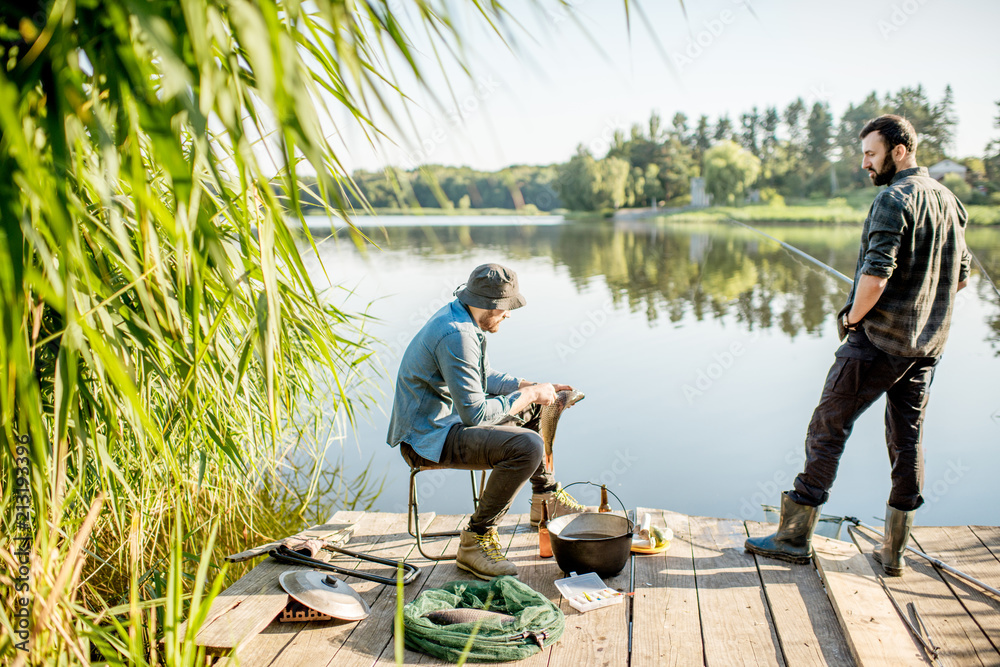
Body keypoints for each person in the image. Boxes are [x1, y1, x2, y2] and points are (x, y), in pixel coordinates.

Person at [745, 114, 971, 576]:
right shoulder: (951, 202)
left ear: (899, 151)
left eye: (871, 154)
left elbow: (875, 276)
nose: (865, 164)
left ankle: (793, 537)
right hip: (926, 348)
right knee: (908, 442)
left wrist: (849, 317)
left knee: (828, 426)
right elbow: (961, 277)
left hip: (878, 343)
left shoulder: (893, 199)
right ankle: (894, 552)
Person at [387, 263, 587, 580]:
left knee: (535, 409)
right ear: (492, 305)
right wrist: (530, 394)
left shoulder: (463, 319)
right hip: (427, 440)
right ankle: (476, 538)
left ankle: (543, 499)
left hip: (448, 424)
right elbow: (476, 415)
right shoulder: (457, 335)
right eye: (506, 308)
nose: (508, 315)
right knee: (528, 446)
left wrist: (531, 388)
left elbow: (483, 378)